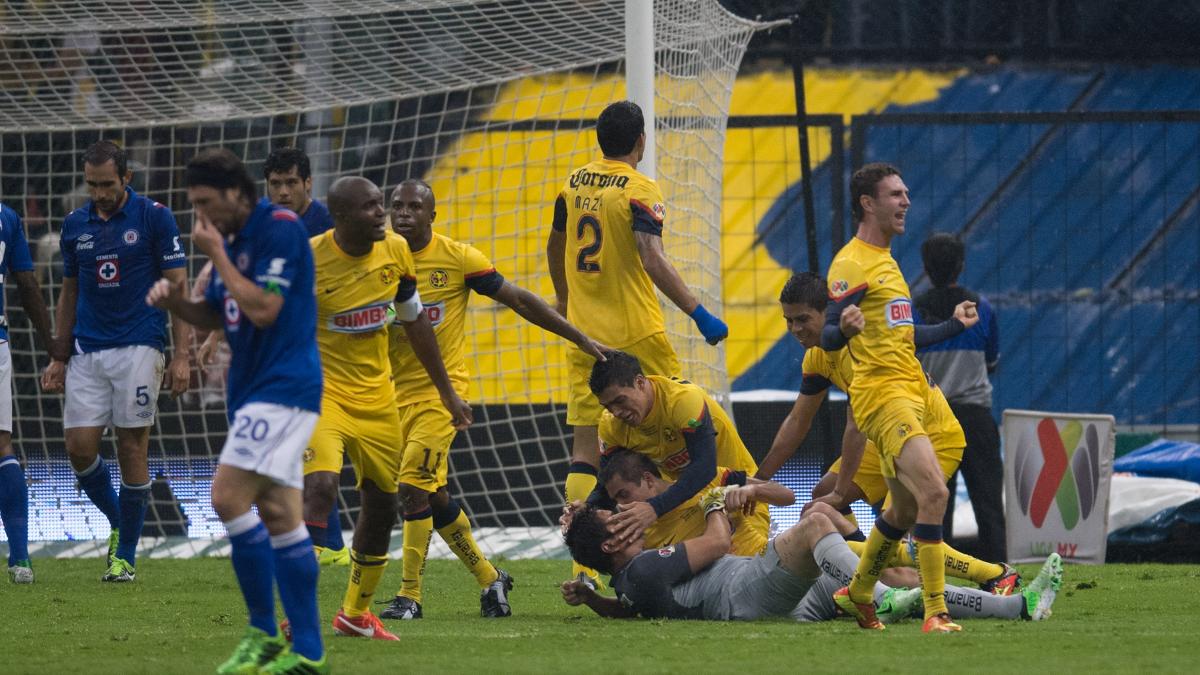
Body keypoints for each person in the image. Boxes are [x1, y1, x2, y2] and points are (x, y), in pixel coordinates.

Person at [377, 179, 605, 620]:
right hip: (389, 395)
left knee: (411, 488)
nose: (404, 214)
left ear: (432, 214)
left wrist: (578, 335)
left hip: (443, 397)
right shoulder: (377, 260)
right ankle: (489, 578)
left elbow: (519, 299)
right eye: (397, 206)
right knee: (433, 494)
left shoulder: (458, 258)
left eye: (414, 206)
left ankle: (410, 597)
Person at [146, 148, 327, 674]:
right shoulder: (231, 239)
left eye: (205, 204)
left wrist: (217, 255)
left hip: (285, 387)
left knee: (226, 497)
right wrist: (174, 303)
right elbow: (221, 313)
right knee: (280, 518)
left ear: (235, 193)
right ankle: (311, 656)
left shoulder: (280, 229)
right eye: (194, 206)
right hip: (252, 391)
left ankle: (264, 634)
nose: (200, 217)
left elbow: (266, 309)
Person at [546, 100, 728, 583]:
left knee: (586, 450)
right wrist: (700, 313)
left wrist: (565, 302)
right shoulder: (639, 188)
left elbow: (556, 243)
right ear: (640, 142)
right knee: (680, 430)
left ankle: (583, 562)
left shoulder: (573, 182)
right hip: (636, 334)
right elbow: (651, 256)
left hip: (582, 334)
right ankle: (697, 535)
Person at [757, 272, 1018, 594]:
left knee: (896, 552)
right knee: (821, 501)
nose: (795, 329)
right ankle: (871, 573)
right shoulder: (817, 356)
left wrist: (840, 493)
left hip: (932, 438)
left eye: (803, 319)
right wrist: (759, 478)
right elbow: (797, 422)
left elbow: (855, 427)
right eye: (788, 320)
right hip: (887, 438)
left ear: (829, 313)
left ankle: (992, 574)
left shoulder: (860, 349)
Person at [302, 175, 470, 641]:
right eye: (372, 207)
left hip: (379, 398)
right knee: (320, 487)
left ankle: (355, 613)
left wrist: (447, 392)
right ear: (340, 218)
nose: (384, 214)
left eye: (383, 204)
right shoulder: (309, 259)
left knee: (381, 507)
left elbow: (415, 322)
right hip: (322, 393)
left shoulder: (395, 253)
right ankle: (297, 616)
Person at [820, 162, 976, 632]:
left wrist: (953, 325)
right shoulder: (852, 262)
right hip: (884, 397)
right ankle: (935, 612)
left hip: (910, 388)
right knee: (935, 491)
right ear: (868, 203)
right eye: (895, 194)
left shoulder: (887, 262)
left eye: (906, 193)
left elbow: (903, 337)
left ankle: (859, 591)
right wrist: (840, 329)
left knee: (905, 509)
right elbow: (828, 332)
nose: (906, 201)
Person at [41, 140, 191, 583]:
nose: (100, 193)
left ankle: (124, 556)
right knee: (79, 448)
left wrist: (181, 354)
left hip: (140, 345)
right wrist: (58, 354)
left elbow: (177, 286)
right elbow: (70, 291)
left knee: (131, 446)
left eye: (107, 184)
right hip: (87, 349)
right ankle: (121, 522)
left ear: (127, 178)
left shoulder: (154, 217)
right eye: (92, 185)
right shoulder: (75, 225)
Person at [562, 499, 1063, 625]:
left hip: (766, 597)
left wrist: (592, 600)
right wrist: (715, 500)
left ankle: (1019, 606)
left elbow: (628, 611)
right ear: (610, 544)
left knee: (900, 582)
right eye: (615, 515)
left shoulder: (630, 582)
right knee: (816, 524)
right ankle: (866, 592)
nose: (625, 511)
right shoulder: (646, 566)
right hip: (747, 593)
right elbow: (717, 543)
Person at [588, 351, 757, 547]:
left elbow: (704, 468)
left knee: (743, 567)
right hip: (684, 507)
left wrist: (654, 508)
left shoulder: (681, 400)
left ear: (640, 382)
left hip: (739, 499)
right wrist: (586, 508)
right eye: (608, 406)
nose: (615, 412)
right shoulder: (611, 426)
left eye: (620, 400)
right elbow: (608, 483)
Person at [915, 233, 1005, 562]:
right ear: (962, 266)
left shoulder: (912, 311)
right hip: (975, 417)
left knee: (936, 507)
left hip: (933, 420)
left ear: (925, 268)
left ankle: (945, 580)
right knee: (989, 504)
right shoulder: (980, 308)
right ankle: (999, 577)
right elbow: (992, 362)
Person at [0, 202, 55, 584]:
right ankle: (21, 559)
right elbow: (27, 284)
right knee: (2, 446)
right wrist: (52, 344)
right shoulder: (6, 217)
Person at [599, 448, 788, 557]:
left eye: (624, 494)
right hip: (728, 588)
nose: (621, 505)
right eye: (616, 500)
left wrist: (753, 490)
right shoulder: (643, 537)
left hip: (767, 561)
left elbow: (787, 495)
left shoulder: (707, 480)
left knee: (815, 512)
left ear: (648, 479)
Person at [263, 147, 333, 238]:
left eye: (291, 182)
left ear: (308, 183)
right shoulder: (260, 225)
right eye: (275, 183)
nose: (283, 192)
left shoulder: (329, 225)